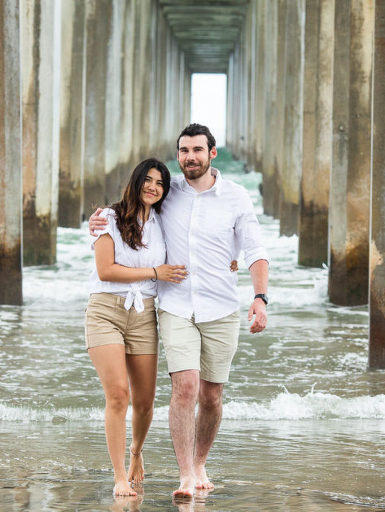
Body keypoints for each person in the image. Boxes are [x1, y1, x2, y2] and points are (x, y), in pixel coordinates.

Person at [90, 124, 269, 498]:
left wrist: (259, 296)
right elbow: (128, 212)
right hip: (174, 305)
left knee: (212, 395)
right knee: (184, 388)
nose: (190, 157)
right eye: (184, 150)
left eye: (197, 150)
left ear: (212, 153)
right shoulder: (168, 196)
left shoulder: (235, 197)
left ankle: (200, 462)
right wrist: (96, 220)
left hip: (220, 305)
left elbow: (253, 248)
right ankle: (185, 474)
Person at [85, 158, 188, 496]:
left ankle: (136, 453)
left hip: (144, 315)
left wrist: (233, 257)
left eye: (160, 183)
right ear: (136, 180)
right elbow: (106, 271)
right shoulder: (109, 218)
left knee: (144, 403)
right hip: (105, 311)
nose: (153, 187)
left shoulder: (164, 222)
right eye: (148, 179)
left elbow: (197, 240)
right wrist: (155, 273)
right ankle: (118, 477)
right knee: (118, 394)